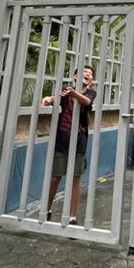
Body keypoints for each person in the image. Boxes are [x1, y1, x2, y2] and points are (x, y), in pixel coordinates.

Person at [42, 65, 96, 225]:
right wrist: (48, 99)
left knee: (75, 178)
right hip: (62, 138)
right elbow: (56, 98)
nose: (87, 74)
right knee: (55, 176)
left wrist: (74, 94)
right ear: (75, 76)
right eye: (84, 72)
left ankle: (72, 217)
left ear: (91, 80)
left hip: (79, 140)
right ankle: (47, 210)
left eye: (90, 74)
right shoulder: (66, 91)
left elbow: (86, 101)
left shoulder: (91, 93)